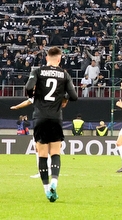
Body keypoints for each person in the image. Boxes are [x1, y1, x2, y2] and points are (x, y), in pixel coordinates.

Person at [24, 47, 79, 202]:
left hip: (40, 117)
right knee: (55, 152)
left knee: (41, 154)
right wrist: (64, 97)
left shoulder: (38, 71)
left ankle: (47, 190)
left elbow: (28, 87)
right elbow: (74, 96)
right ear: (59, 59)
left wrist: (32, 97)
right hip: (56, 118)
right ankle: (55, 180)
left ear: (46, 58)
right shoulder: (64, 74)